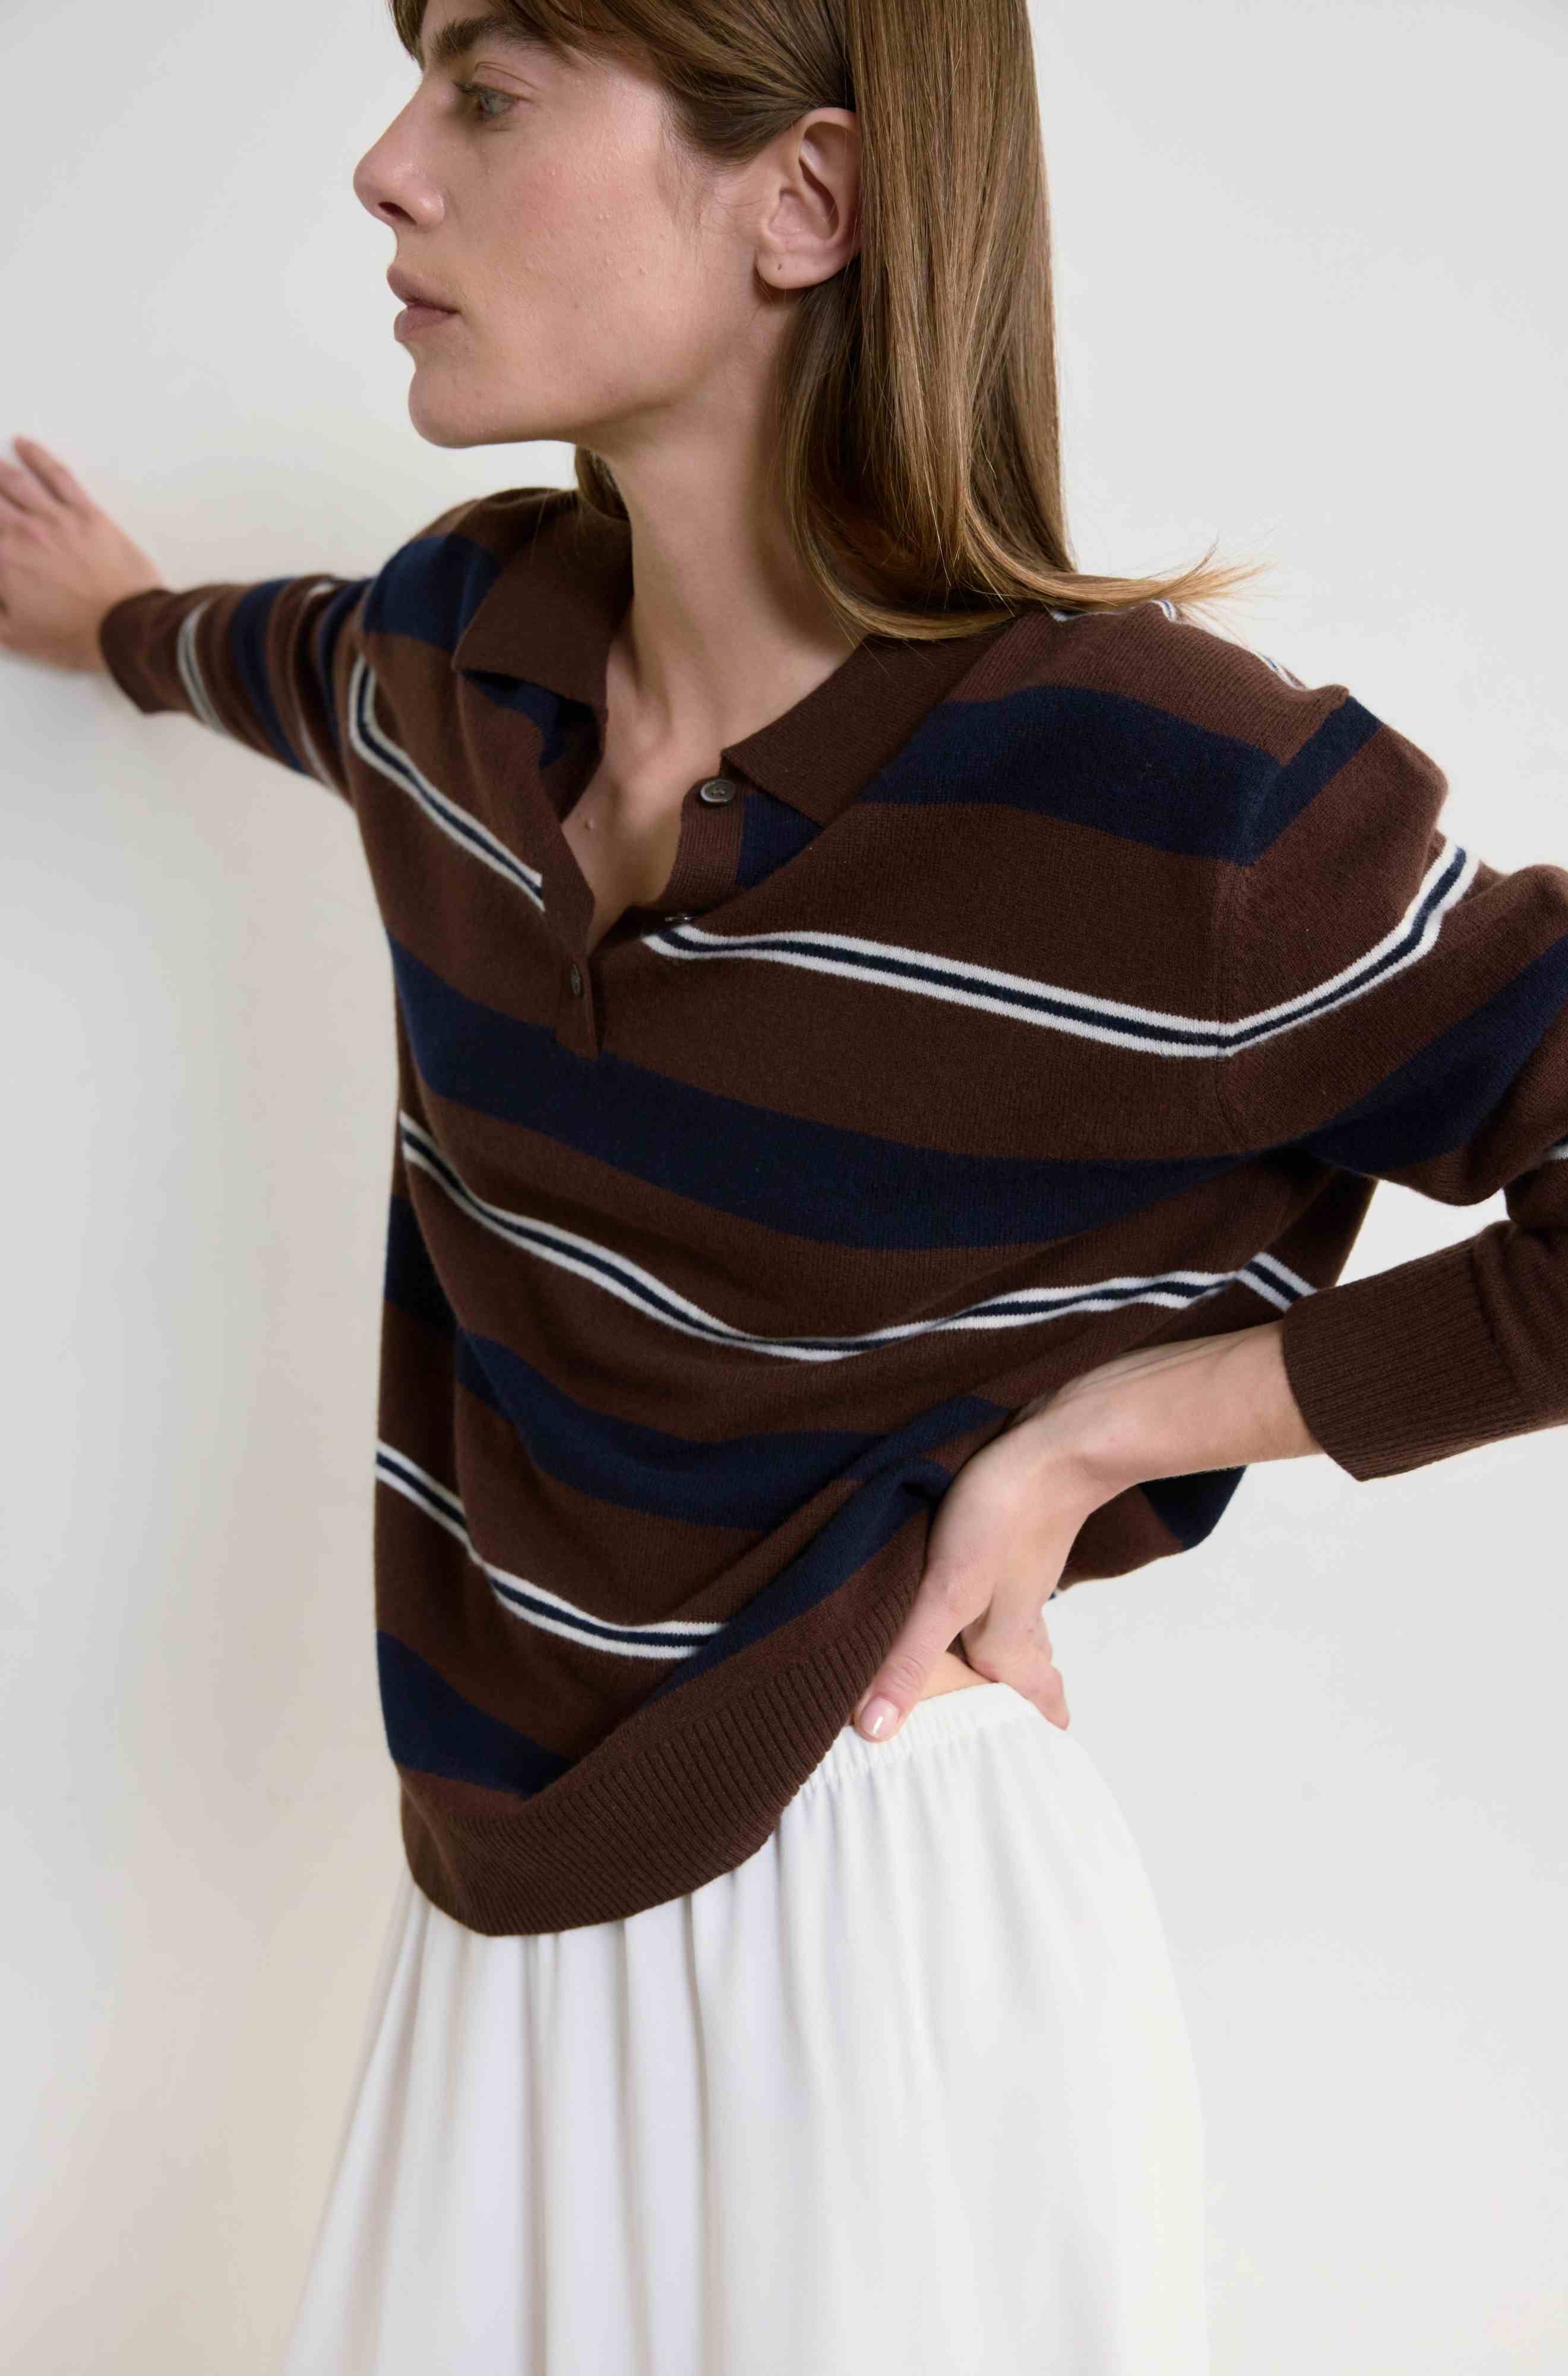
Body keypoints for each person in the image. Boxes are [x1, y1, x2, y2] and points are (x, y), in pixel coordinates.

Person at [4, 1, 1565, 2369]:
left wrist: (1117, 1432)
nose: (386, 166)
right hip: (488, 1955)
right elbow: (275, 660)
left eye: (489, 92)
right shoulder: (455, 662)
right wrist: (112, 622)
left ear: (805, 201)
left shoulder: (1177, 802)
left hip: (878, 1958)